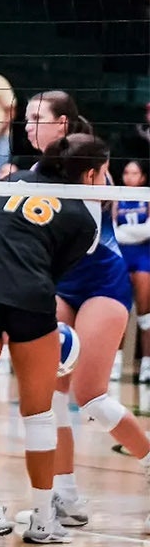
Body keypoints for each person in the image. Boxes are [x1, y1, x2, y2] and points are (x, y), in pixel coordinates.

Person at [0, 134, 110, 546]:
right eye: (104, 174)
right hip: (32, 299)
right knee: (40, 414)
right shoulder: (85, 224)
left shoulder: (13, 179)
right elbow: (56, 273)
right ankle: (42, 519)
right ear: (89, 175)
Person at [22, 91, 150, 529]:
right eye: (25, 118)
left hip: (101, 282)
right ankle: (66, 496)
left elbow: (82, 239)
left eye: (36, 118)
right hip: (62, 284)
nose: (27, 126)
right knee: (50, 395)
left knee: (89, 396)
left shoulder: (90, 165)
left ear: (63, 125)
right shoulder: (36, 172)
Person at [116, 160, 150, 384]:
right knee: (118, 311)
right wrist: (134, 232)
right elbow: (113, 232)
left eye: (134, 173)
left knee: (145, 316)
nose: (129, 177)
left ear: (143, 177)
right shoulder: (115, 196)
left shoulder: (147, 197)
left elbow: (148, 230)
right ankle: (114, 364)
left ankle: (147, 364)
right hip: (121, 256)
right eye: (126, 172)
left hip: (143, 257)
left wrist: (125, 231)